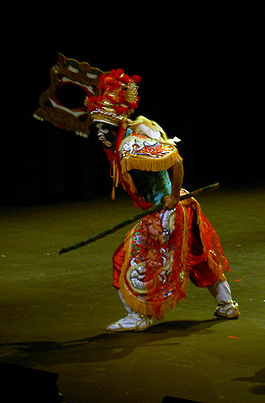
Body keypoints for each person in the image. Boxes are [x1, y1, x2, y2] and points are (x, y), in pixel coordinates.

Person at [87, 68, 240, 331]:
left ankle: (139, 315)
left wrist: (170, 197)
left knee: (124, 259)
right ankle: (226, 304)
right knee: (198, 256)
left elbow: (176, 161)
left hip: (167, 211)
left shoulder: (131, 144)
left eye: (105, 128)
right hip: (181, 207)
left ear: (118, 127)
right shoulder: (124, 139)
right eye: (97, 128)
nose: (100, 134)